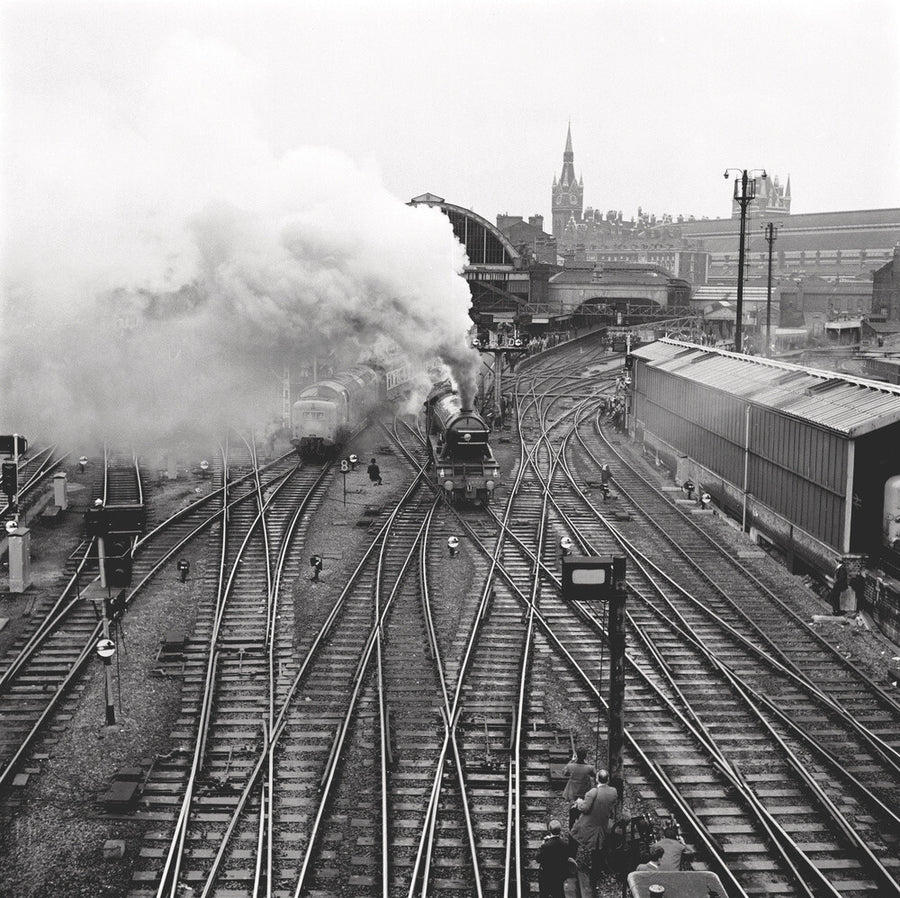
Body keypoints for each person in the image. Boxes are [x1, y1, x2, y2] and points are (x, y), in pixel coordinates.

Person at [570, 768, 618, 873]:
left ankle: (571, 859)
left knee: (573, 835)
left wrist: (579, 803)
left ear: (597, 779)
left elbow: (585, 809)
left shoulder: (592, 792)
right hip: (603, 823)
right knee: (597, 849)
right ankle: (596, 869)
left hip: (589, 823)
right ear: (608, 779)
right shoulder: (613, 791)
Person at [537, 819, 572, 898]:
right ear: (560, 830)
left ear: (550, 829)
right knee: (559, 892)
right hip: (559, 874)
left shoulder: (546, 846)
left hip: (546, 875)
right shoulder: (565, 845)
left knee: (544, 893)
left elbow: (538, 859)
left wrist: (542, 845)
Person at [563, 748, 595, 828]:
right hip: (584, 793)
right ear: (585, 756)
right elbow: (594, 774)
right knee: (583, 813)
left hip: (572, 794)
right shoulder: (589, 768)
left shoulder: (570, 766)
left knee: (572, 814)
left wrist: (572, 760)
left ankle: (571, 829)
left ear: (576, 756)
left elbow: (564, 772)